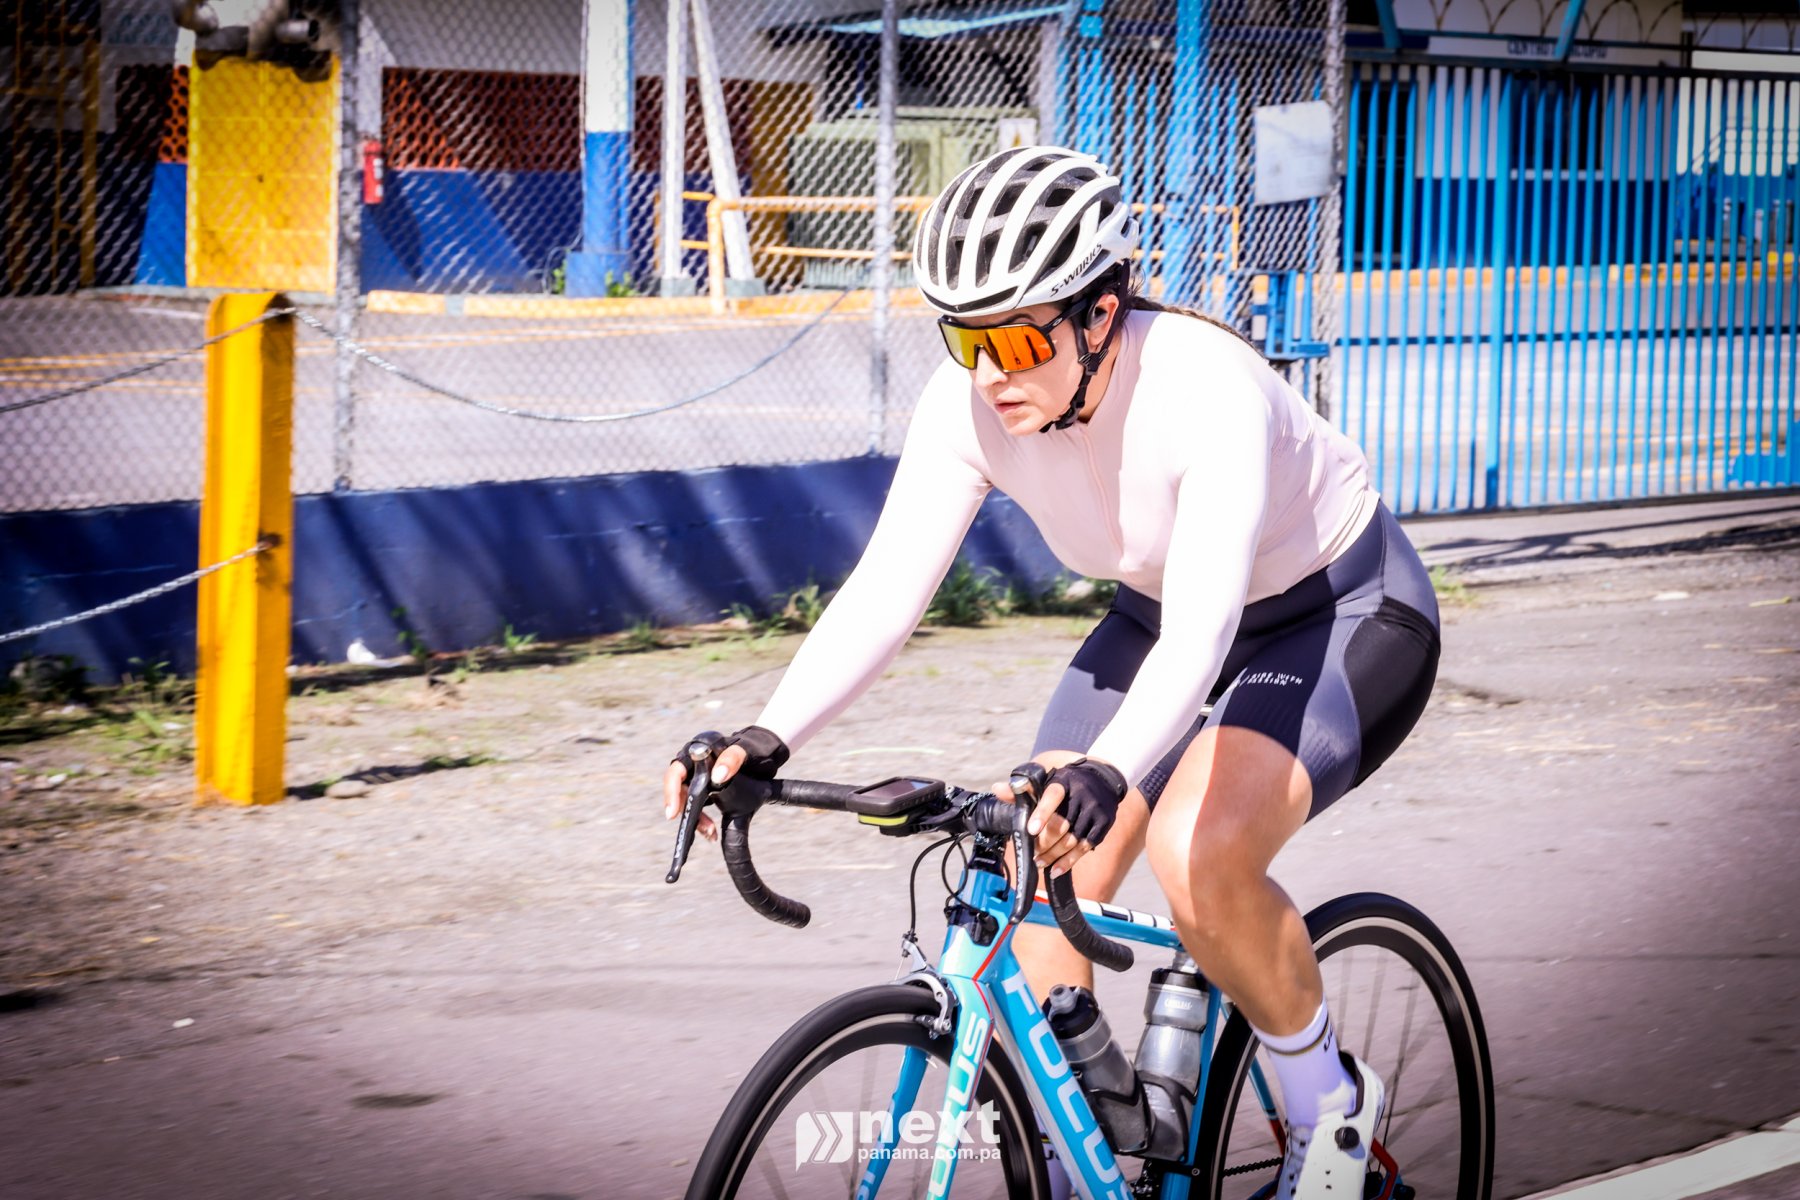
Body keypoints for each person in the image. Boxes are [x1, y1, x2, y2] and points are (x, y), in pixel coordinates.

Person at [661, 145, 1440, 1200]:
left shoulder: (1206, 390)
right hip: (1155, 617)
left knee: (1198, 855)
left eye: (1020, 337)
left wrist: (1107, 769)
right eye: (965, 337)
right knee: (1030, 863)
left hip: (1334, 612)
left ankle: (1330, 1118)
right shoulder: (967, 406)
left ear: (1101, 315)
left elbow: (1204, 634)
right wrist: (769, 734)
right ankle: (1096, 1148)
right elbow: (887, 588)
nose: (990, 372)